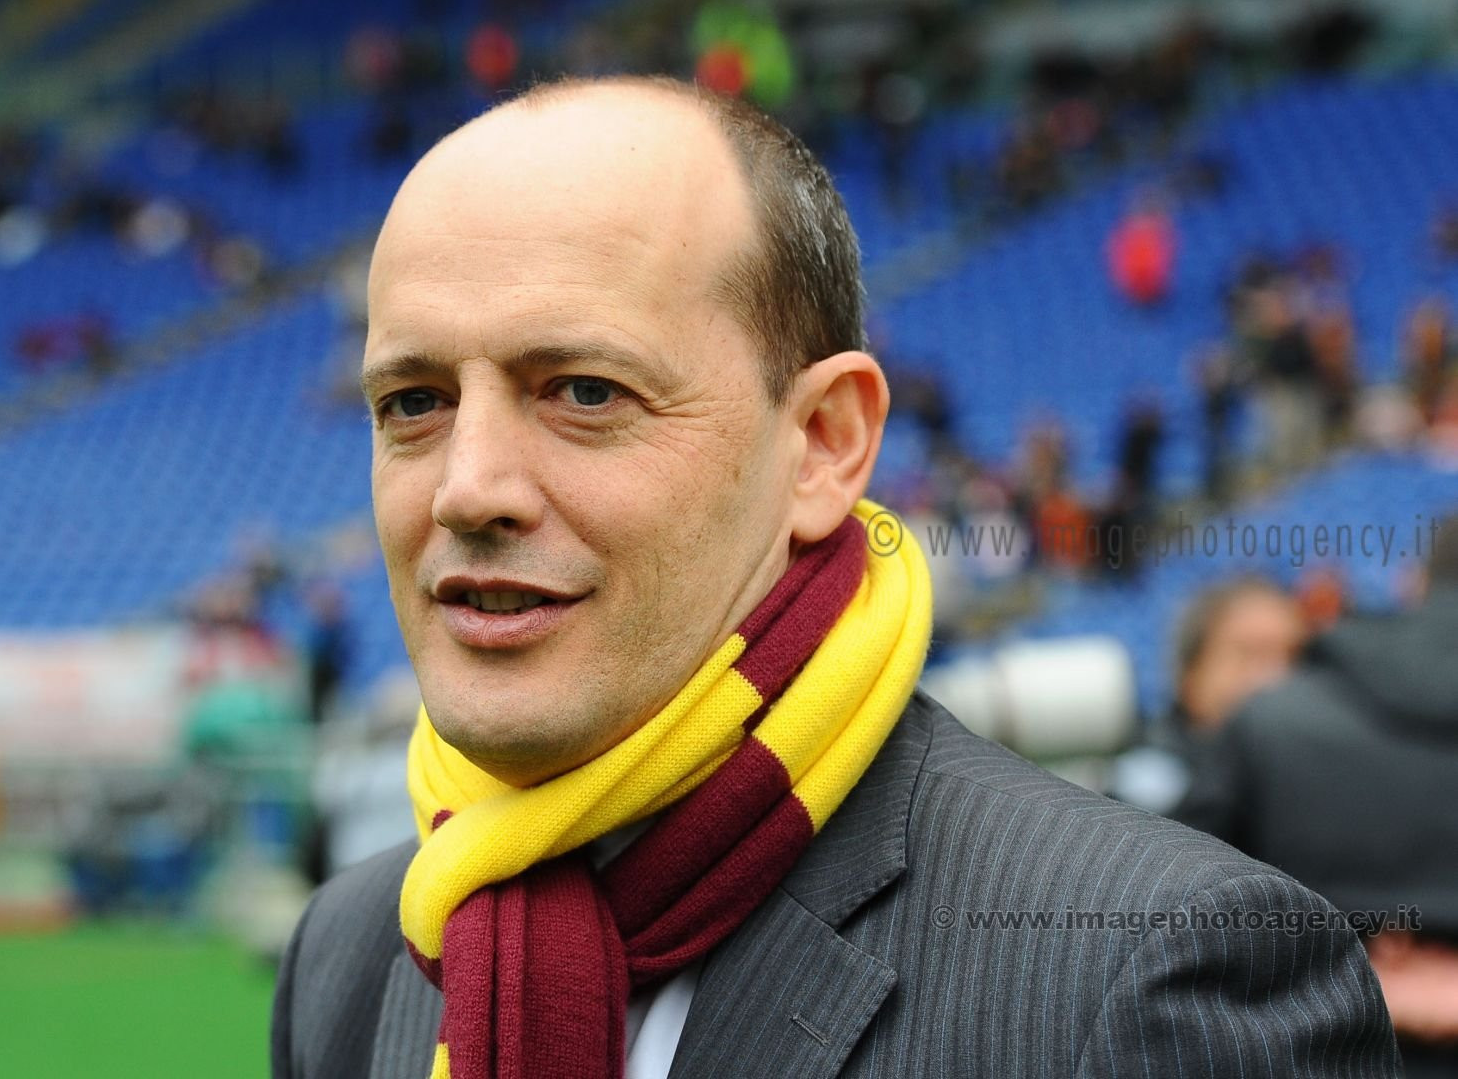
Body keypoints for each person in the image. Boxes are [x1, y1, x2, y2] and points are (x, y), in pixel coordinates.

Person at [271, 75, 1397, 1079]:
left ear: (821, 445)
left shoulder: (1156, 973)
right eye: (412, 403)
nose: (467, 489)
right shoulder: (352, 956)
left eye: (585, 391)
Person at [1175, 517, 1458, 1077]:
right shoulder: (1266, 724)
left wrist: (1345, 980)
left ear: (1413, 582)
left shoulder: (1271, 724)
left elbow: (1176, 938)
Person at [1110, 576, 1306, 816]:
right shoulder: (1146, 779)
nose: (1276, 676)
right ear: (1190, 675)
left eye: (1294, 657)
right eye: (1249, 654)